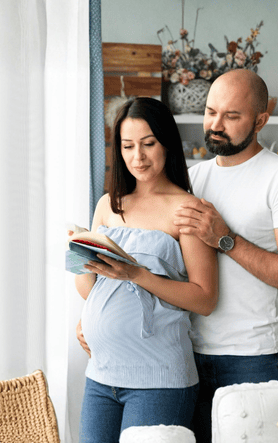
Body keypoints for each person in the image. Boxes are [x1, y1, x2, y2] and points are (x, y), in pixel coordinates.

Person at [173, 69, 278, 442]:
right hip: (185, 352)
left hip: (252, 358)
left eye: (232, 116)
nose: (215, 125)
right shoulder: (192, 178)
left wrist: (226, 240)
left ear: (260, 121)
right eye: (210, 112)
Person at [74, 97, 218, 443]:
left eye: (148, 144)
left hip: (159, 377)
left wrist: (136, 274)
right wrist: (82, 256)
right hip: (101, 373)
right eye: (127, 146)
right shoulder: (108, 204)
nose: (137, 157)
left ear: (166, 143)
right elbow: (90, 287)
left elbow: (204, 299)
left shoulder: (187, 208)